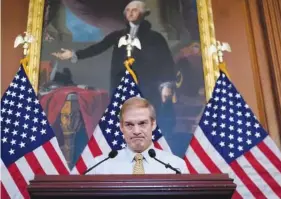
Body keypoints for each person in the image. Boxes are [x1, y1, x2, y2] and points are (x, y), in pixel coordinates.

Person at [52, 1, 176, 126]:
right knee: (121, 118)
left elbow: (166, 61)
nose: (130, 13)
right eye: (127, 10)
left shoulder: (155, 38)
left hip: (147, 86)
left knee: (145, 118)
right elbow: (98, 48)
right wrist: (74, 54)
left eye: (135, 10)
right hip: (121, 85)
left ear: (144, 13)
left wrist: (167, 85)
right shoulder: (118, 35)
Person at [86, 97, 189, 174]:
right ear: (121, 127)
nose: (136, 131)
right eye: (129, 125)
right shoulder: (99, 167)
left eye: (142, 123)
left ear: (153, 124)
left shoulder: (176, 167)